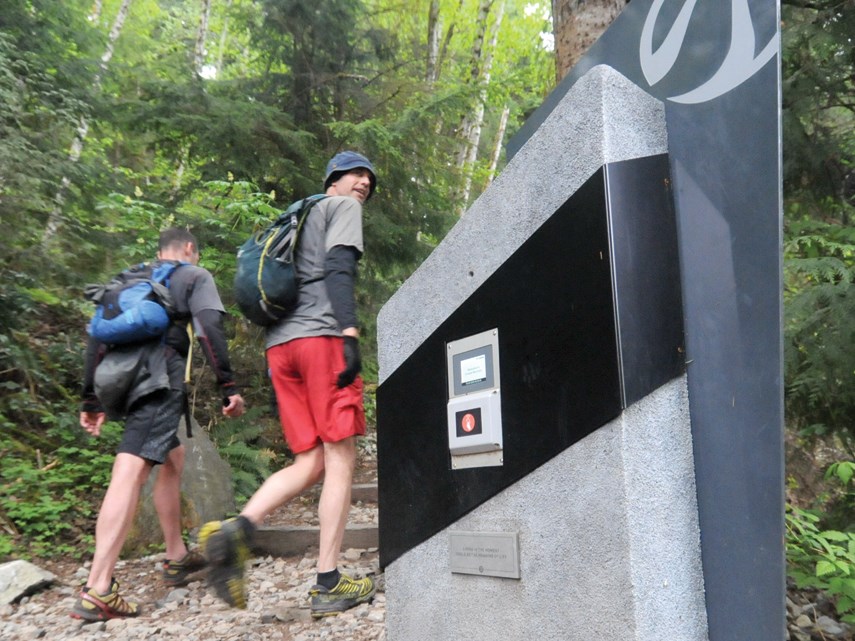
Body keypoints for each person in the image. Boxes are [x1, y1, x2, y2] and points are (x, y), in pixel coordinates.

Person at [199, 151, 376, 618]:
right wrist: (350, 333)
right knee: (340, 455)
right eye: (355, 174)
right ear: (332, 181)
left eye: (368, 179)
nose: (363, 183)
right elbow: (340, 269)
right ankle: (328, 582)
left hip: (280, 349)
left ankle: (236, 531)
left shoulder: (296, 218)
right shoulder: (341, 209)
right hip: (321, 339)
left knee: (309, 459)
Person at [72, 228, 246, 621]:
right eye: (195, 253)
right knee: (129, 471)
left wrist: (90, 397)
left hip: (123, 380)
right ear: (189, 248)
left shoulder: (132, 277)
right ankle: (98, 588)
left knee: (172, 458)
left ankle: (175, 555)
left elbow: (97, 337)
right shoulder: (193, 275)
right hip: (158, 381)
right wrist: (228, 386)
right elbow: (208, 327)